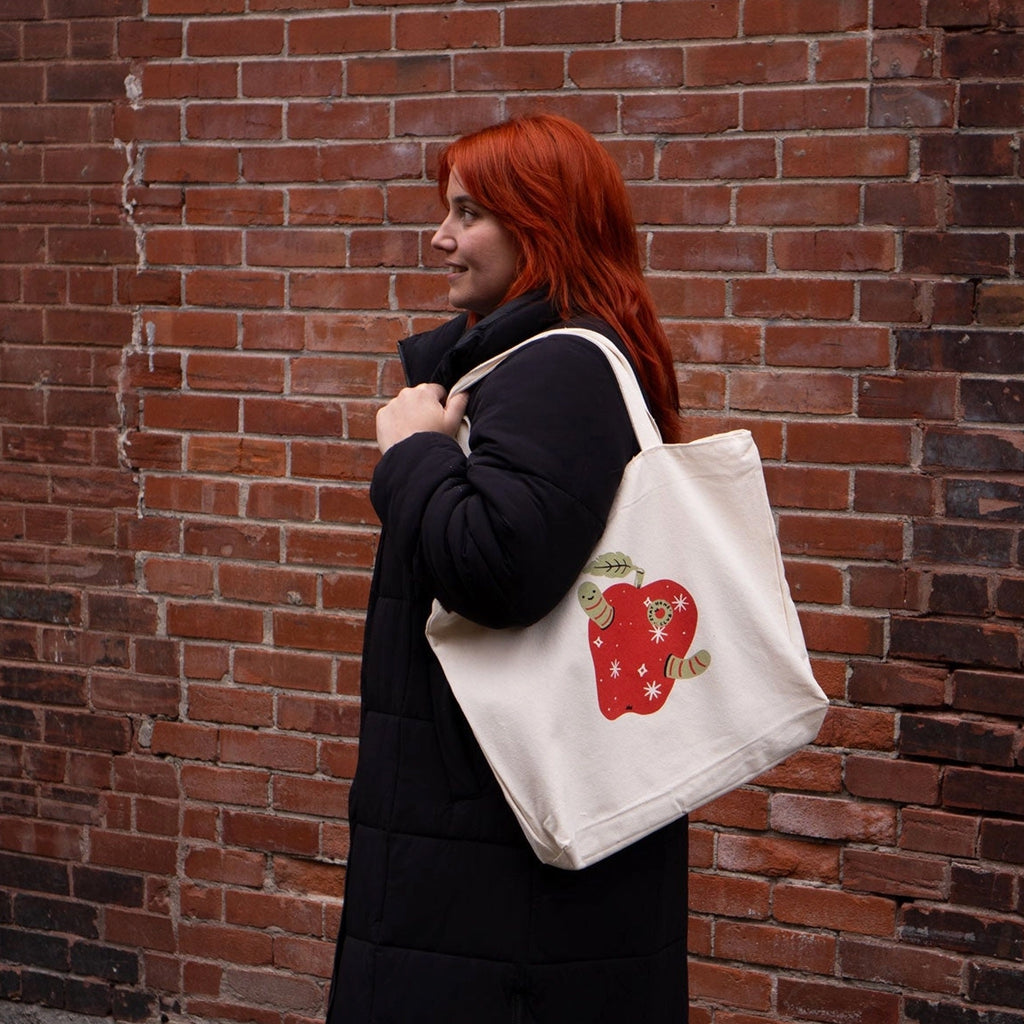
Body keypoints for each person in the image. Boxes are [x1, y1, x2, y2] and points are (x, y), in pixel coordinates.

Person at [325, 114, 688, 1024]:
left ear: (544, 226)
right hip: (498, 817)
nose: (439, 238)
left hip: (492, 838)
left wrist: (412, 453)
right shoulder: (546, 361)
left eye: (468, 213)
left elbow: (496, 568)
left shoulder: (554, 368)